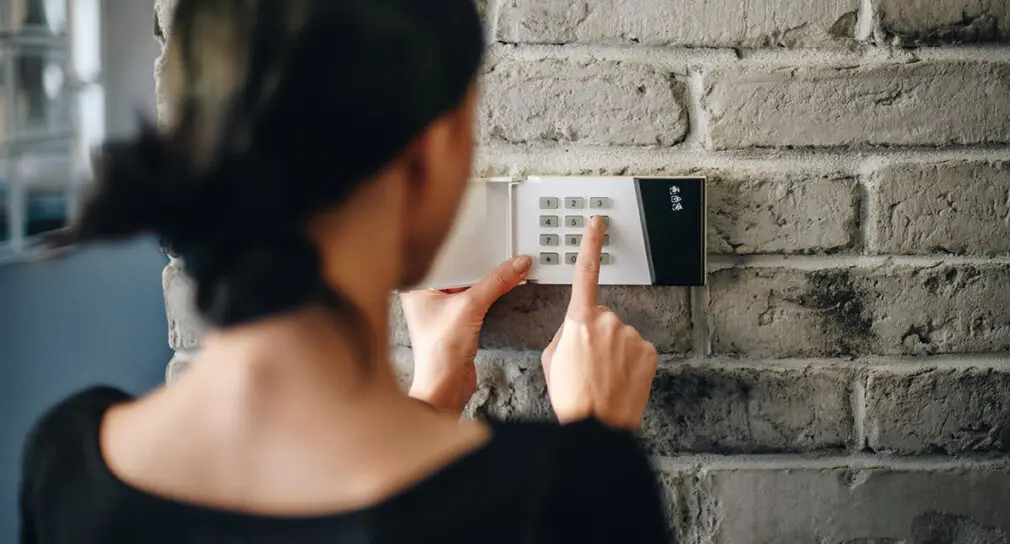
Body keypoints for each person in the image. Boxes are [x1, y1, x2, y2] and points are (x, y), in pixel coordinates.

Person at [18, 0, 668, 542]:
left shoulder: (69, 469)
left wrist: (434, 395)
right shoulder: (560, 494)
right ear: (431, 153)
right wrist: (598, 450)